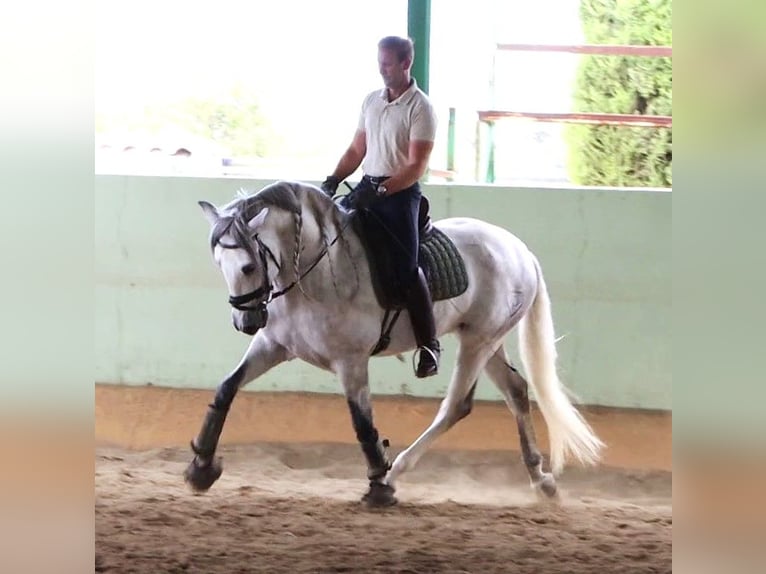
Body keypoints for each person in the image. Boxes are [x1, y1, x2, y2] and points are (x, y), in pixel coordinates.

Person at [320, 35, 440, 378]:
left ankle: (429, 344)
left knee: (406, 267)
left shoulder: (421, 107)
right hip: (367, 188)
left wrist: (384, 191)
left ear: (406, 63)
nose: (382, 69)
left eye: (387, 63)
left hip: (400, 196)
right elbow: (357, 150)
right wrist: (334, 178)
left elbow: (416, 165)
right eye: (379, 63)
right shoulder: (371, 101)